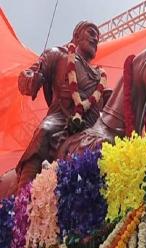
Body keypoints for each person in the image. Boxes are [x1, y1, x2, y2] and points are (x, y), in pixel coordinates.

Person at [16, 21, 110, 189]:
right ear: (76, 36)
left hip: (90, 133)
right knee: (45, 130)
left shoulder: (100, 77)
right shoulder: (59, 56)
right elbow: (32, 72)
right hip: (60, 123)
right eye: (91, 33)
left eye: (98, 36)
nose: (96, 38)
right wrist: (31, 78)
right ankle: (22, 195)